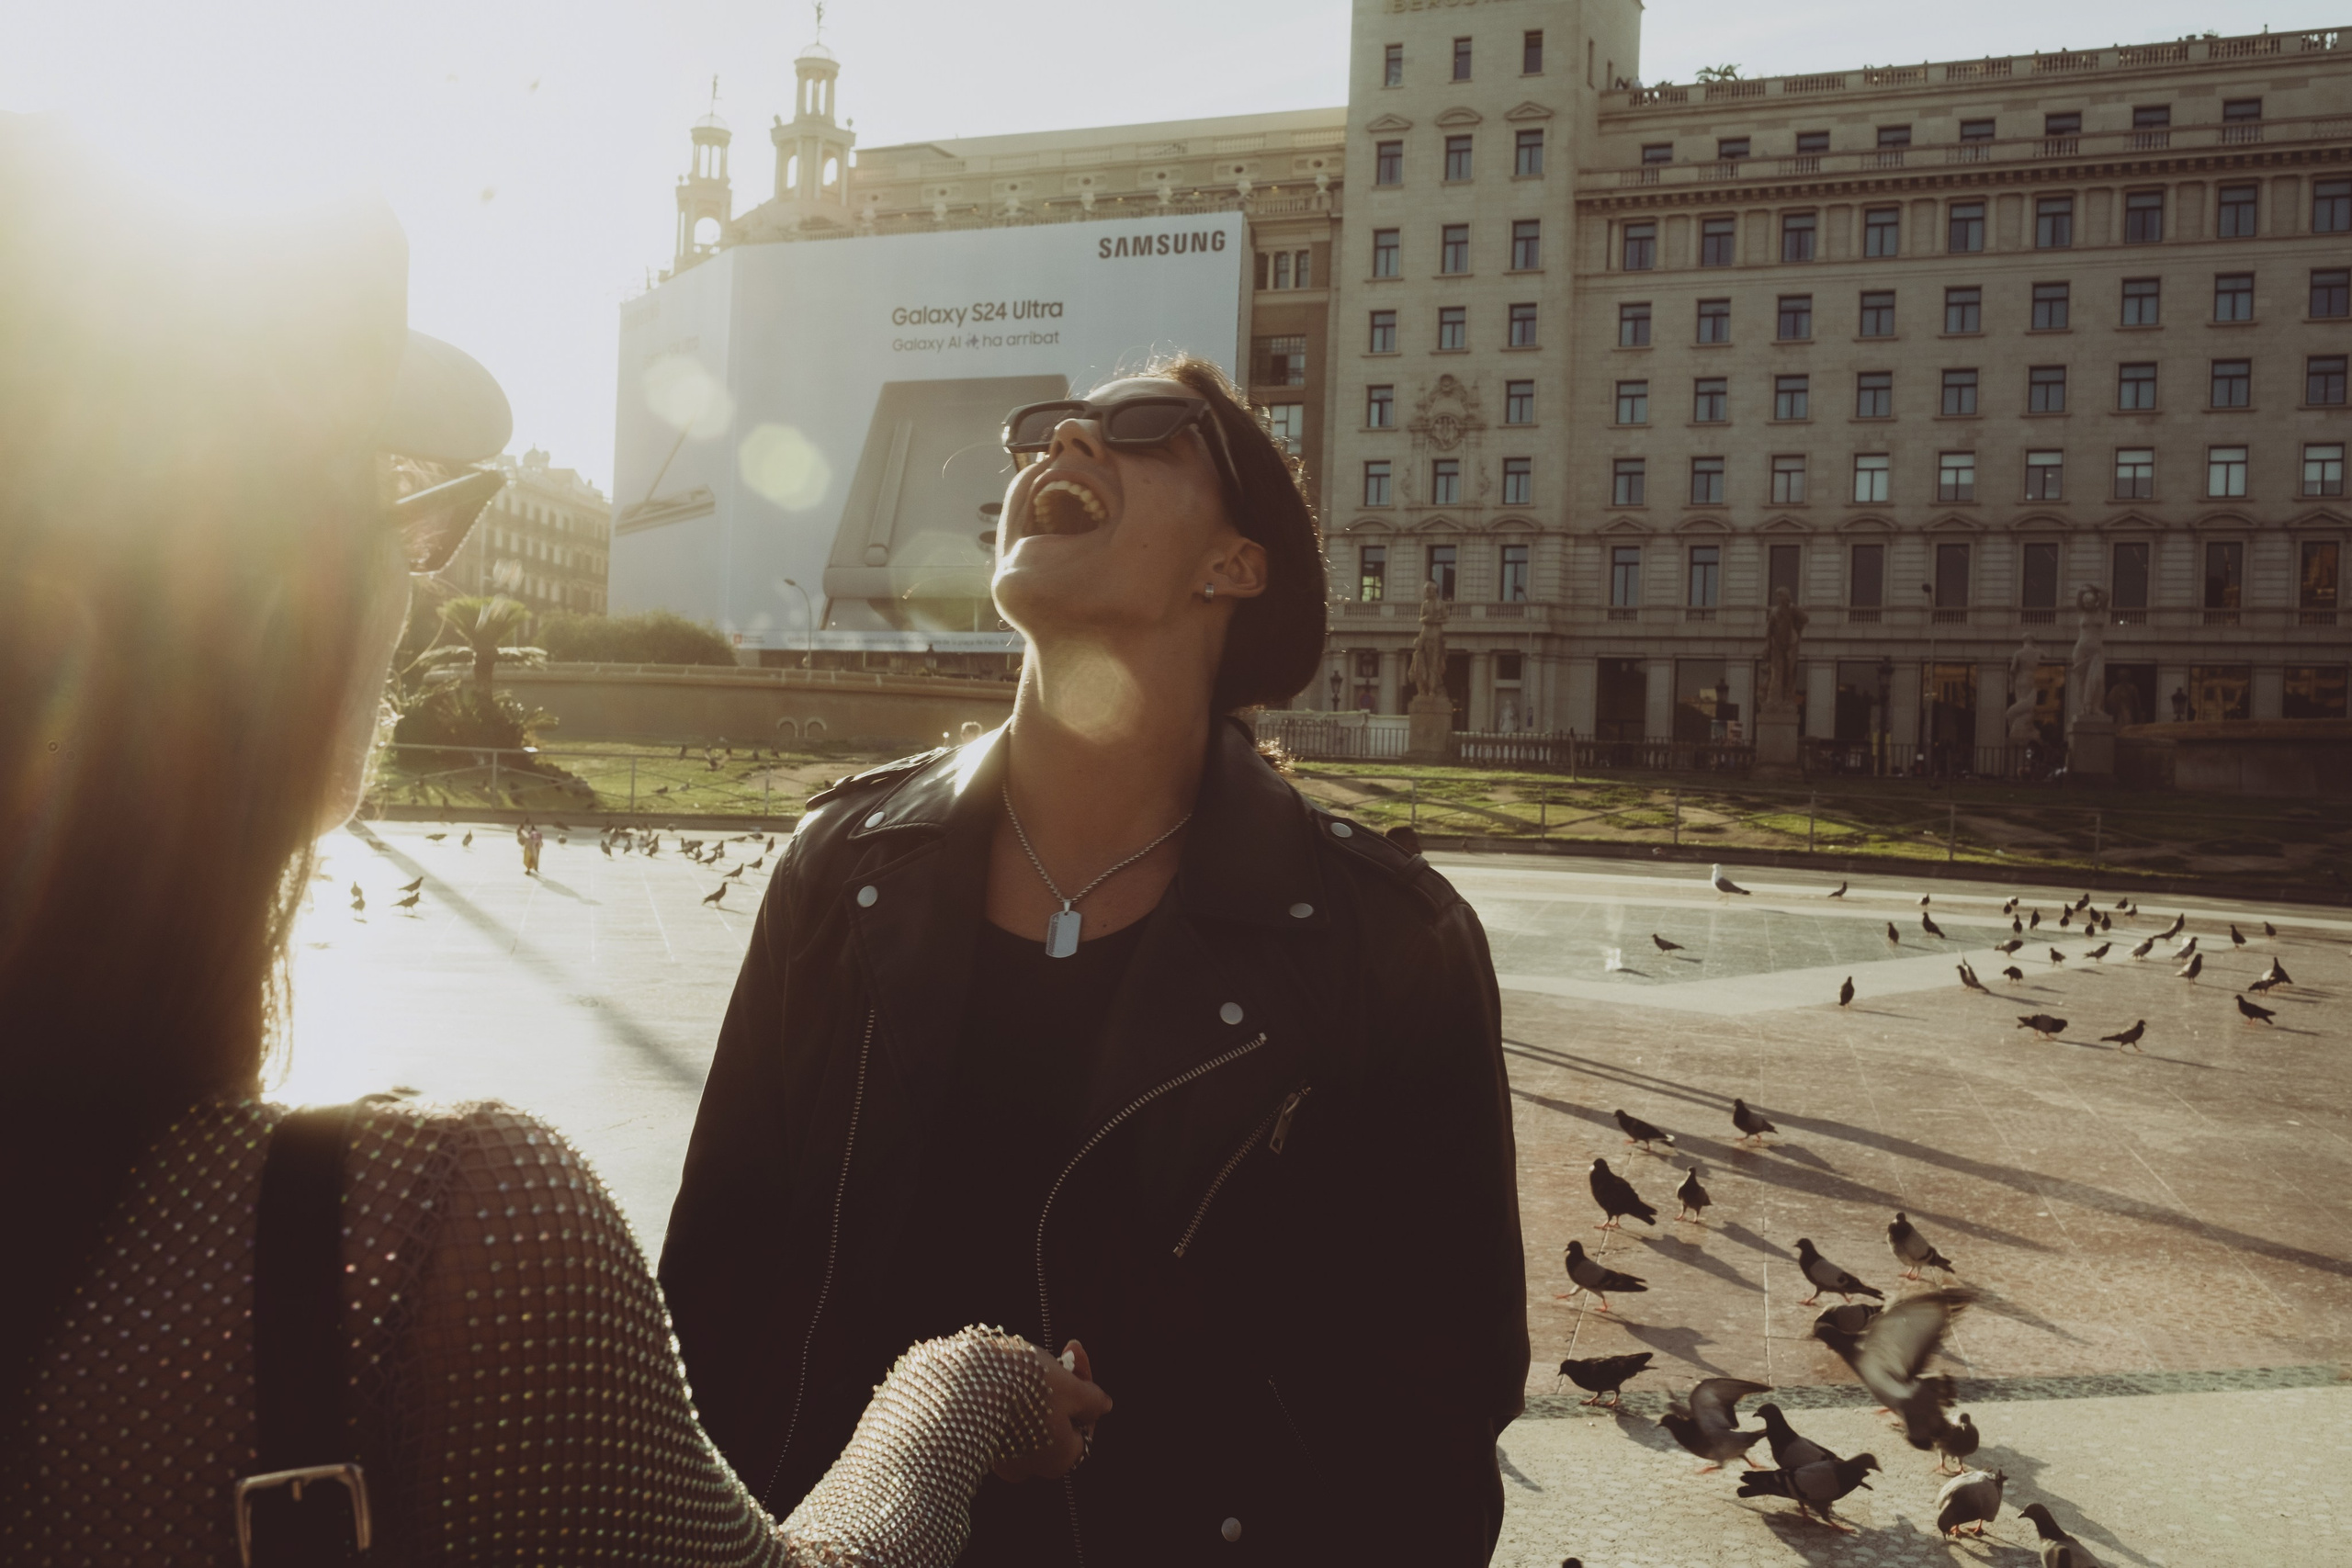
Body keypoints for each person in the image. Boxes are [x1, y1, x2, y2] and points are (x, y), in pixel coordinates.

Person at [0, 115, 1106, 1566]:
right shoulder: (416, 1250)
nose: (421, 595)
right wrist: (953, 1397)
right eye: (398, 514)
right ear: (264, 600)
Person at [662, 357, 1529, 1563]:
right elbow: (715, 1297)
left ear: (1234, 565)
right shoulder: (844, 870)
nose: (1067, 440)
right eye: (1051, 432)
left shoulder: (1387, 939)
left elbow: (1435, 1409)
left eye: (1145, 433)